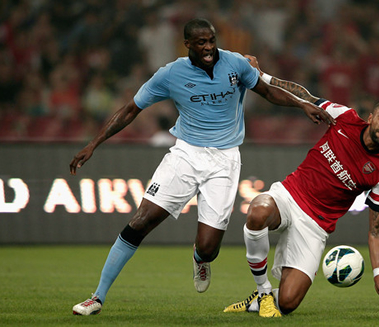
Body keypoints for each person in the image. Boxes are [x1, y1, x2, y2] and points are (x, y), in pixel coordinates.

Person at [69, 19, 334, 316]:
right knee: (141, 220)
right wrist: (94, 143)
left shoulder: (236, 64)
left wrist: (302, 104)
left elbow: (267, 91)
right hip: (185, 154)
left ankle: (199, 259)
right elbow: (131, 109)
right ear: (188, 45)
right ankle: (98, 297)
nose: (208, 48)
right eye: (201, 42)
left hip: (225, 161)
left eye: (211, 40)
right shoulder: (170, 74)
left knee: (209, 248)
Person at [223, 55, 379, 317]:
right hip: (290, 195)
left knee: (287, 304)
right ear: (371, 117)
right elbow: (304, 95)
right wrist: (263, 77)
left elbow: (376, 230)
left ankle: (261, 300)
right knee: (258, 210)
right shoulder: (345, 118)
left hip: (316, 225)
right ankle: (263, 290)